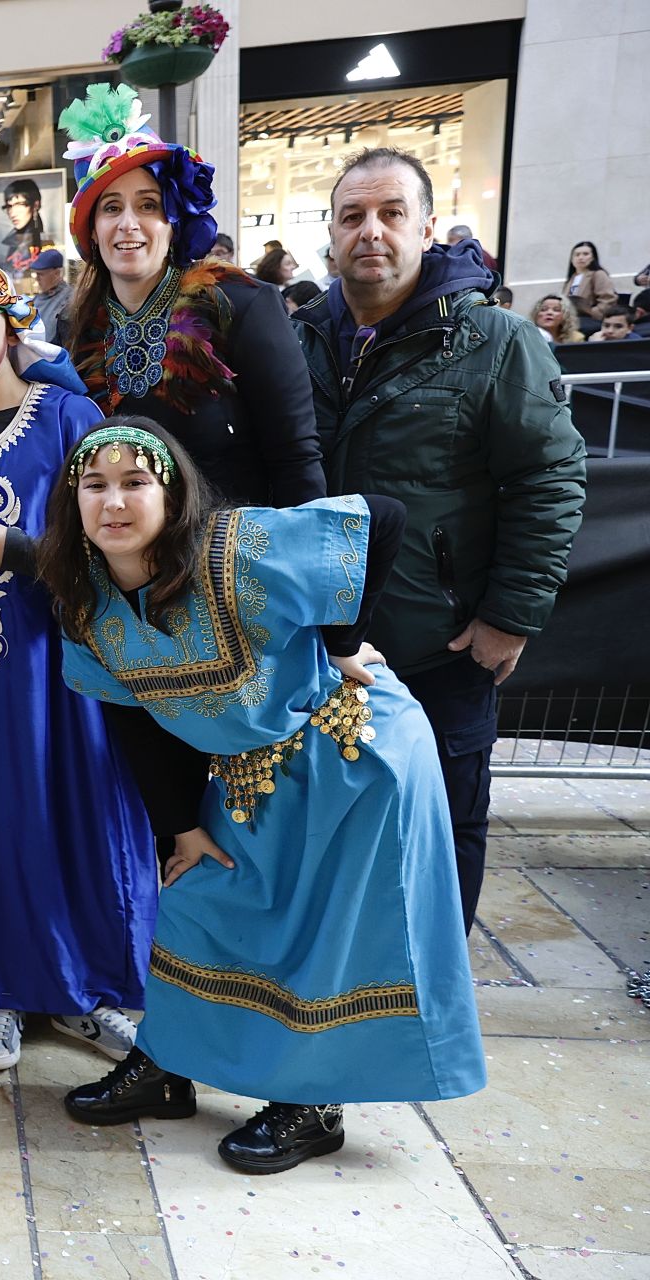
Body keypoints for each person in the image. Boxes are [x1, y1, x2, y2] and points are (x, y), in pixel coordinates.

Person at [33, 418, 485, 1174]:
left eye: (136, 482)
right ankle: (166, 1067)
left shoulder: (239, 545)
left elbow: (383, 519)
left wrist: (342, 643)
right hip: (247, 769)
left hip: (356, 759)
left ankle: (313, 1104)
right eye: (95, 485)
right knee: (198, 901)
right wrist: (179, 826)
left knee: (328, 933)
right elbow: (133, 718)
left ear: (172, 494)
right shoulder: (84, 600)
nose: (114, 502)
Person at [294, 145, 587, 930]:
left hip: (441, 645)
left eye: (392, 214)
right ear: (330, 232)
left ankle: (432, 1003)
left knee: (444, 830)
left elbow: (549, 479)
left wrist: (508, 616)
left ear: (427, 228)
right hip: (320, 650)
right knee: (329, 832)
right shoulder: (296, 342)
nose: (372, 232)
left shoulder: (495, 342)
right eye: (353, 215)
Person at [0, 260, 154, 1073]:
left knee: (66, 818)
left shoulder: (68, 417)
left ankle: (86, 991)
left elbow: (113, 544)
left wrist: (15, 549)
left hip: (55, 674)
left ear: (10, 324)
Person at [60, 83, 324, 509]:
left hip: (229, 560)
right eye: (111, 208)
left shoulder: (239, 305)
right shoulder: (76, 327)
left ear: (174, 222)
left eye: (148, 205)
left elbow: (295, 458)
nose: (128, 223)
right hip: (119, 566)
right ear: (92, 229)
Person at [0, 178, 52, 277]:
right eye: (9, 206)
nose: (12, 213)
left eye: (19, 204)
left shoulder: (45, 240)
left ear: (35, 205)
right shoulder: (11, 243)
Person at [563, 241, 618, 336]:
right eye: (577, 255)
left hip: (588, 320)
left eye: (585, 254)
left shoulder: (598, 274)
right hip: (571, 319)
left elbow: (608, 299)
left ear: (592, 257)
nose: (581, 257)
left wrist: (593, 313)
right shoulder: (572, 278)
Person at [29, 247, 73, 346]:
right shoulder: (35, 301)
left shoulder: (71, 299)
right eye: (36, 274)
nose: (37, 279)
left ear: (57, 273)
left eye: (40, 274)